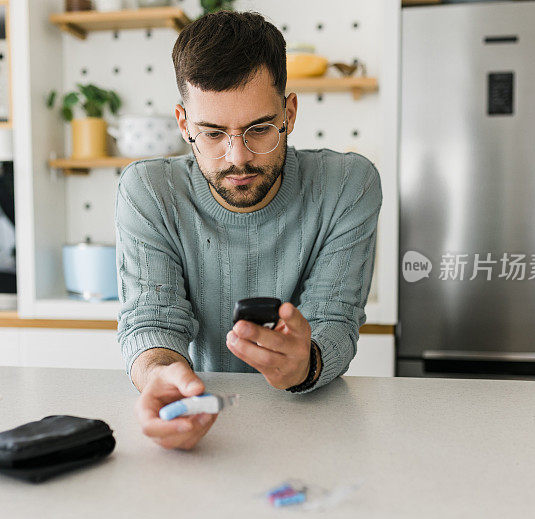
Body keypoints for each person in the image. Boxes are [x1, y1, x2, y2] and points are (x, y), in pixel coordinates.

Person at [115, 11, 382, 450]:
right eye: (213, 133)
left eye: (259, 129)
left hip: (313, 424)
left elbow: (335, 319)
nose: (237, 156)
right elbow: (151, 318)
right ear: (184, 124)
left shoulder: (349, 185)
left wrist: (306, 364)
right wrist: (159, 375)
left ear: (289, 113)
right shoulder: (147, 191)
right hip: (198, 410)